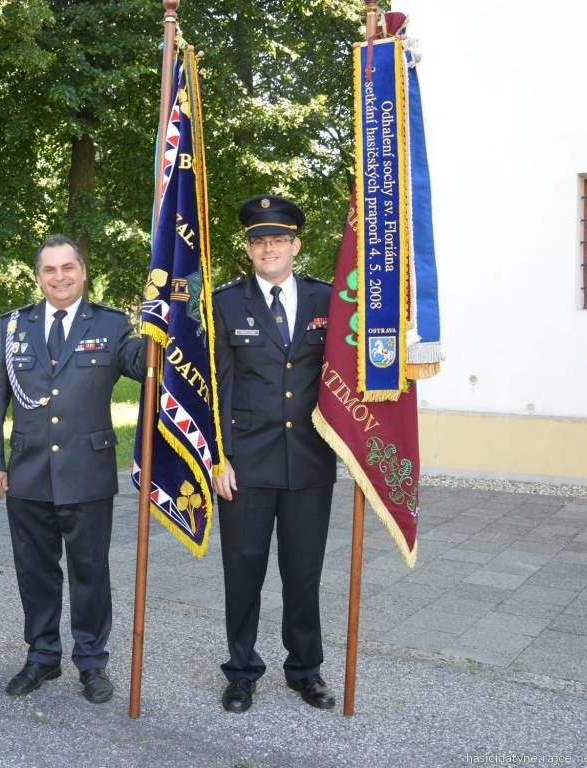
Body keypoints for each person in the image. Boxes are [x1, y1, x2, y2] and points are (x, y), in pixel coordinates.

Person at [0, 234, 144, 704]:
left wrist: (165, 326)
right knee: (35, 571)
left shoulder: (111, 325)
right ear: (38, 277)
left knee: (89, 571)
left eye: (68, 267)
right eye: (49, 269)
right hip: (28, 471)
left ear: (83, 272)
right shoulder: (14, 326)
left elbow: (142, 365)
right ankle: (42, 656)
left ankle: (91, 662)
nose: (59, 277)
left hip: (87, 471)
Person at [212, 195, 337, 713]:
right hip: (245, 465)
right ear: (248, 249)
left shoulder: (328, 299)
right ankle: (242, 671)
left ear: (295, 245)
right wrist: (218, 457)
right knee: (243, 573)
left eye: (279, 240)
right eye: (260, 241)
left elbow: (347, 373)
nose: (269, 248)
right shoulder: (224, 303)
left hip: (309, 461)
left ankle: (305, 670)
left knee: (303, 575)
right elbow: (216, 387)